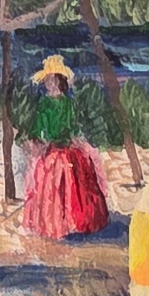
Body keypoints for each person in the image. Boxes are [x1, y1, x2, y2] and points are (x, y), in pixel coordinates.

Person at [22, 54, 111, 239]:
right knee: (49, 180)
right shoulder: (43, 103)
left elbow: (71, 127)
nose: (49, 83)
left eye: (53, 79)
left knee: (75, 177)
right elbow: (40, 127)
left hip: (66, 147)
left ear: (60, 81)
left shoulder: (69, 103)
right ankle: (54, 223)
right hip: (50, 148)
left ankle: (74, 221)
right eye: (47, 79)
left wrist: (73, 140)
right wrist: (41, 142)